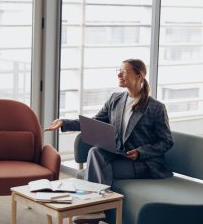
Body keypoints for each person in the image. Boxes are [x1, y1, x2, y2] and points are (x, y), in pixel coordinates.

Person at [45, 59, 174, 186]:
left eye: (124, 71)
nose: (119, 74)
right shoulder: (115, 99)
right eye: (119, 70)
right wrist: (64, 122)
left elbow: (166, 142)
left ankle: (93, 203)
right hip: (119, 155)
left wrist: (141, 152)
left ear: (139, 75)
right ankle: (98, 202)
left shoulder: (156, 108)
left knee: (97, 170)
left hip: (143, 163)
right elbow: (94, 122)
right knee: (95, 152)